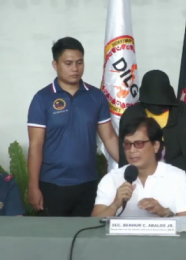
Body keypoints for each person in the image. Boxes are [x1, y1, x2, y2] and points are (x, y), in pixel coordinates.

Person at [27, 37, 119, 217]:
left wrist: (132, 168)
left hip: (89, 183)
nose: (75, 69)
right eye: (68, 63)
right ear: (55, 64)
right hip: (53, 185)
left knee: (86, 238)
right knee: (55, 240)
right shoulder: (42, 99)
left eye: (79, 62)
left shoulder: (96, 97)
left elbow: (109, 138)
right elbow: (36, 145)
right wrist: (33, 186)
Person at [117, 70, 186, 215]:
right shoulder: (132, 114)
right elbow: (125, 155)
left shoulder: (183, 112)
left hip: (177, 178)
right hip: (141, 178)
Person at [92, 116, 186, 218]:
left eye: (139, 144)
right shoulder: (111, 179)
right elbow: (93, 226)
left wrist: (164, 212)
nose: (132, 150)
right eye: (127, 144)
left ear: (155, 146)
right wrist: (115, 204)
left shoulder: (178, 177)